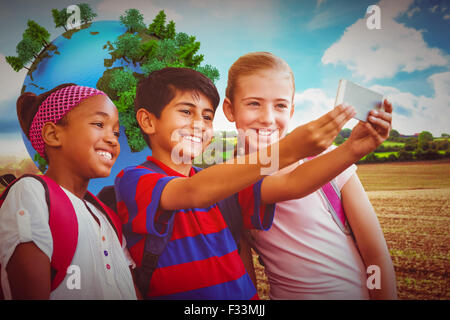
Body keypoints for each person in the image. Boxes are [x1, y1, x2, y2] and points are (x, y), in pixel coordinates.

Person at [114, 67, 381, 300]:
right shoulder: (135, 180)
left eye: (207, 116)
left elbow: (293, 183)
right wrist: (287, 150)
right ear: (148, 121)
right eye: (186, 111)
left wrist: (352, 150)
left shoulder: (226, 181)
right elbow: (194, 192)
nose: (199, 124)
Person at [222, 51, 397, 300]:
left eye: (280, 105)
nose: (268, 118)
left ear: (291, 111)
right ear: (230, 109)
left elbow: (376, 255)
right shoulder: (227, 181)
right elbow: (244, 275)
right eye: (254, 103)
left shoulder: (331, 161)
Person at [0, 84, 138, 299]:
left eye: (116, 132)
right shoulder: (31, 193)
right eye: (99, 124)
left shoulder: (108, 217)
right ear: (53, 134)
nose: (113, 139)